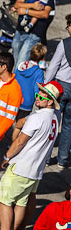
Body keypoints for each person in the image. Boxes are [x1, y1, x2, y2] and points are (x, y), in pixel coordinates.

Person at [0, 81, 62, 230]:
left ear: (50, 101)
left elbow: (20, 142)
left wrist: (7, 156)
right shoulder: (55, 118)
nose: (37, 98)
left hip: (21, 167)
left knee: (4, 201)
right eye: (38, 94)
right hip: (35, 170)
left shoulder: (37, 118)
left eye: (42, 96)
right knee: (21, 202)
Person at [12, 0, 54, 68]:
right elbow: (17, 5)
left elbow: (45, 14)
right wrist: (32, 6)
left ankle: (16, 82)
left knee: (20, 64)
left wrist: (26, 11)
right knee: (15, 61)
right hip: (20, 31)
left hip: (34, 34)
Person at [45, 14, 71, 169]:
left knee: (53, 122)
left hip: (60, 86)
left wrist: (46, 84)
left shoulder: (65, 43)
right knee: (69, 125)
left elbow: (54, 65)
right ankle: (63, 158)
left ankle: (47, 156)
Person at [15, 43, 46, 122]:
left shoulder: (21, 66)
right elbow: (37, 89)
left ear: (30, 53)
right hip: (26, 103)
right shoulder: (39, 72)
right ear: (42, 58)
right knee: (19, 126)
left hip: (15, 99)